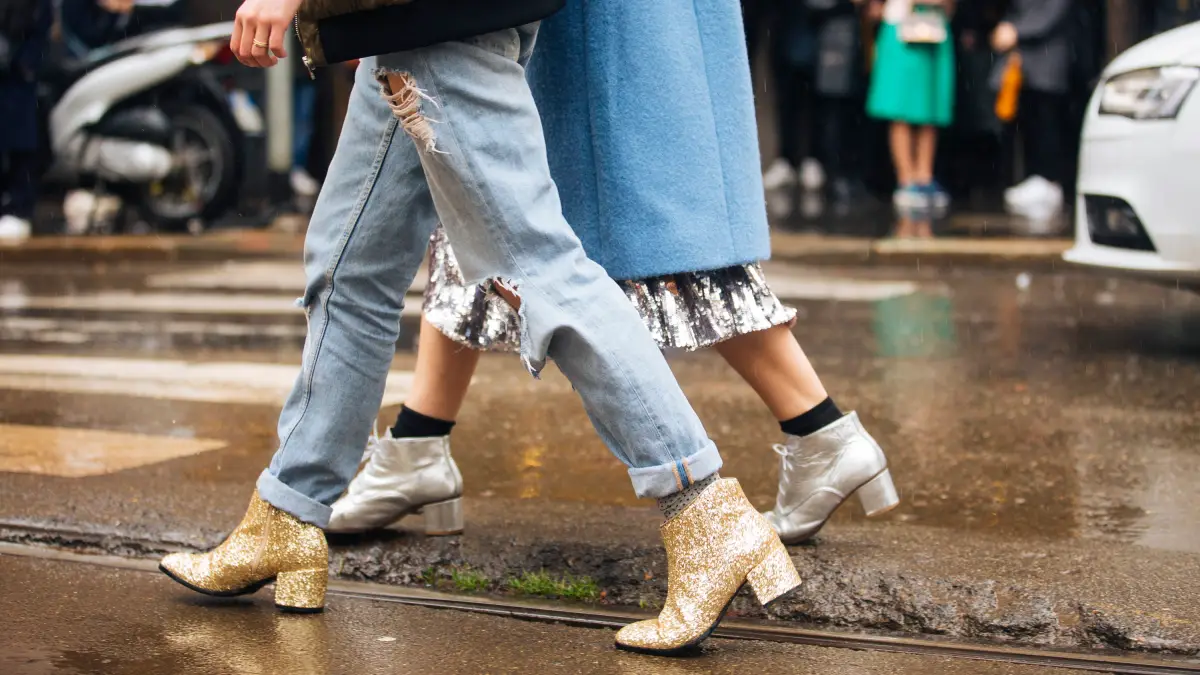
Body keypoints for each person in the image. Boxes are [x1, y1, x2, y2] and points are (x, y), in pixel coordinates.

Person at [158, 0, 802, 655]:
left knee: (533, 264)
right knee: (349, 263)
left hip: (441, 20)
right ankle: (289, 512)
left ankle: (705, 512)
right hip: (395, 23)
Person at [328, 0, 899, 550]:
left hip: (591, 21)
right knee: (500, 208)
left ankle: (810, 433)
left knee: (621, 224)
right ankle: (419, 442)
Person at [864, 0, 956, 210]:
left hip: (935, 27)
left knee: (931, 108)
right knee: (901, 107)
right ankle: (906, 180)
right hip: (902, 28)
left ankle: (925, 176)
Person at [991, 0, 1073, 219]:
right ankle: (1028, 179)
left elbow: (1053, 12)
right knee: (1022, 123)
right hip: (1021, 63)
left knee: (1047, 122)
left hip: (1047, 60)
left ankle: (1049, 180)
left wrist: (1017, 31)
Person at [0, 0, 51, 242]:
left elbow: (39, 28)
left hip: (20, 80)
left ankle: (18, 209)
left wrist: (23, 62)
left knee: (22, 149)